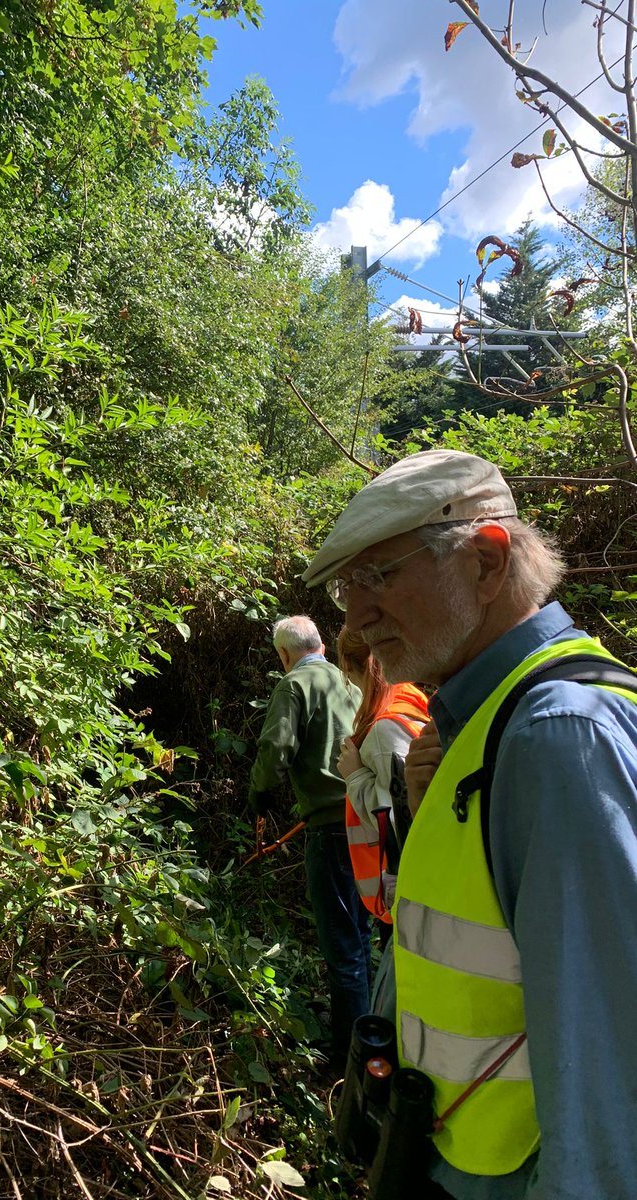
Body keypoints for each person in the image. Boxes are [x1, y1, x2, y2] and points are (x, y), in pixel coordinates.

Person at [302, 449, 637, 1200]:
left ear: (485, 562)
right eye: (345, 588)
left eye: (377, 576)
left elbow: (613, 1067)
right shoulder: (478, 721)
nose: (354, 615)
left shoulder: (558, 736)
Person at [247, 615, 369, 1066]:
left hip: (332, 828)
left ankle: (349, 1060)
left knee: (343, 947)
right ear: (320, 643)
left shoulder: (293, 686)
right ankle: (373, 1039)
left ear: (284, 654)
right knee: (363, 935)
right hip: (369, 820)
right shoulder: (349, 682)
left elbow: (276, 750)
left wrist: (259, 795)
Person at [335, 626, 429, 924]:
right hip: (416, 880)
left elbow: (395, 820)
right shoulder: (410, 704)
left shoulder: (384, 730)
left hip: (405, 886)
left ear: (347, 666)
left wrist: (355, 776)